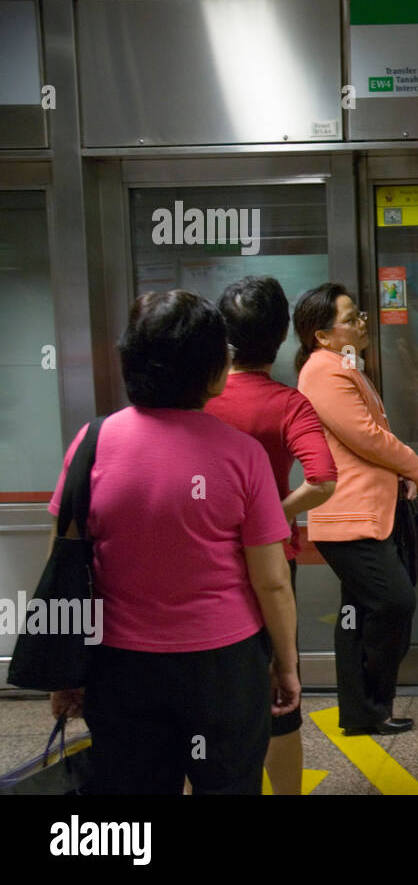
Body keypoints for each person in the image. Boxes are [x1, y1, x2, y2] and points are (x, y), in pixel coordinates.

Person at [48, 290, 300, 794]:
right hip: (224, 667)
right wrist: (286, 664)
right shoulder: (242, 455)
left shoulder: (91, 442)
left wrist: (67, 666)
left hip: (120, 666)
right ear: (212, 370)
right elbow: (271, 582)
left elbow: (65, 563)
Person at [206, 276, 337, 794]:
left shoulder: (194, 401)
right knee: (279, 698)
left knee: (206, 699)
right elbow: (323, 479)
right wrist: (272, 517)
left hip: (202, 563)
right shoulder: (288, 404)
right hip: (271, 565)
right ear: (282, 337)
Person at [294, 284, 418, 736]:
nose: (362, 323)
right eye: (351, 319)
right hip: (348, 513)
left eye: (359, 315)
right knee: (393, 601)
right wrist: (412, 463)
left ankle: (366, 713)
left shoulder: (343, 365)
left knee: (360, 611)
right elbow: (364, 435)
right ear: (322, 335)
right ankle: (368, 707)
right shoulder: (323, 372)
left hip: (365, 510)